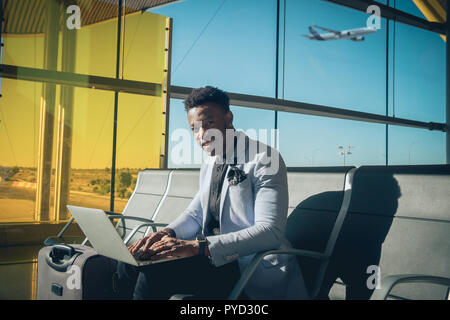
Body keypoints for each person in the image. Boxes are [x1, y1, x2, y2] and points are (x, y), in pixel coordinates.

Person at [117, 86, 309, 300]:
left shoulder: (265, 159)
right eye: (194, 128)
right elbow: (195, 214)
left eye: (209, 123)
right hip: (211, 260)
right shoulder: (210, 161)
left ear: (228, 118)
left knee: (152, 273)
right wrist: (166, 233)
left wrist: (198, 247)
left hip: (245, 265)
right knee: (131, 261)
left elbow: (270, 231)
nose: (201, 135)